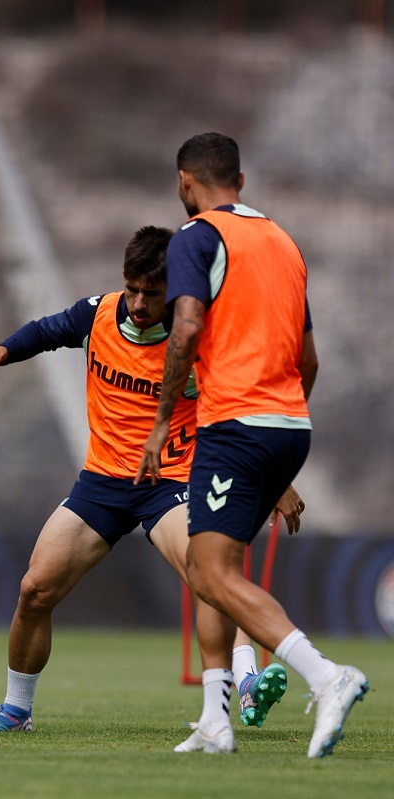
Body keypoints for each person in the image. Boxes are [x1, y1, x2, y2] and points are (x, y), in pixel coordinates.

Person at [0, 226, 293, 737]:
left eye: (151, 293)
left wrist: (278, 480)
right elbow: (48, 331)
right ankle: (16, 711)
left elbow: (246, 411)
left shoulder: (200, 337)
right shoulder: (100, 313)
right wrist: (3, 351)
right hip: (102, 482)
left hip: (171, 482)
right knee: (34, 590)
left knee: (211, 576)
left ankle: (247, 681)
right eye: (132, 288)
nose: (138, 302)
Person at [137, 132, 368, 758]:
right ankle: (214, 719)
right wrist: (281, 423)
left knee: (208, 569)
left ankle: (326, 677)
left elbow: (184, 328)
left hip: (233, 424)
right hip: (289, 424)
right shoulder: (283, 243)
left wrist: (161, 423)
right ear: (239, 179)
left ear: (186, 181)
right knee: (216, 571)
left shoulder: (196, 237)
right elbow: (308, 357)